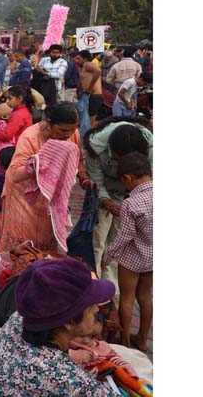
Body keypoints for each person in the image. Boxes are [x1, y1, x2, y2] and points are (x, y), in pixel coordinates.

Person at [0, 259, 117, 397]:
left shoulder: (18, 320)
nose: (96, 308)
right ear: (68, 321)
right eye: (90, 304)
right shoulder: (66, 380)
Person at [0, 103, 94, 254]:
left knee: (46, 248)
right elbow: (14, 174)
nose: (67, 135)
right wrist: (40, 163)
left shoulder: (72, 133)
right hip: (22, 198)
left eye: (72, 130)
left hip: (49, 201)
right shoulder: (30, 136)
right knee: (22, 249)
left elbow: (78, 160)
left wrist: (83, 177)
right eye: (62, 130)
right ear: (49, 123)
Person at [83, 117, 153, 288]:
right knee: (98, 240)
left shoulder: (150, 146)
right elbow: (96, 178)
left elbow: (149, 179)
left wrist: (133, 201)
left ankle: (111, 285)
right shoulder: (95, 147)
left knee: (118, 241)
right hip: (104, 195)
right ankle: (95, 282)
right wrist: (106, 201)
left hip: (132, 196)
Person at [102, 152, 152, 352]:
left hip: (132, 258)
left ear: (127, 178)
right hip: (153, 256)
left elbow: (124, 236)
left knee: (127, 298)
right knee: (146, 297)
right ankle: (142, 339)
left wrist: (108, 256)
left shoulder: (131, 203)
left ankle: (126, 341)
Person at [77, 50, 104, 126]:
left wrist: (90, 87)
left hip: (94, 96)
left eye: (79, 58)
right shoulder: (86, 66)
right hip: (91, 95)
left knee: (89, 121)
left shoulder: (87, 64)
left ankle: (89, 136)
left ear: (84, 58)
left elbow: (98, 71)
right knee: (86, 120)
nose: (77, 61)